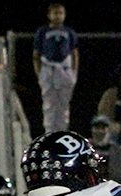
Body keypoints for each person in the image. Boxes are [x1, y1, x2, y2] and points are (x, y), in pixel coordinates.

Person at [33, 3, 78, 134]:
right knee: (49, 103)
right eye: (55, 13)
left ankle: (62, 132)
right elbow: (36, 55)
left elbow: (74, 53)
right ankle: (49, 132)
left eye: (60, 13)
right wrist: (39, 74)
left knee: (64, 103)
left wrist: (74, 73)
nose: (58, 16)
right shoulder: (42, 31)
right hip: (48, 69)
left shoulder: (69, 32)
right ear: (49, 15)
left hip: (65, 69)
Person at [89, 115, 121, 188]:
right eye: (97, 127)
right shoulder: (86, 146)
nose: (99, 131)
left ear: (108, 130)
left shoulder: (116, 150)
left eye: (103, 128)